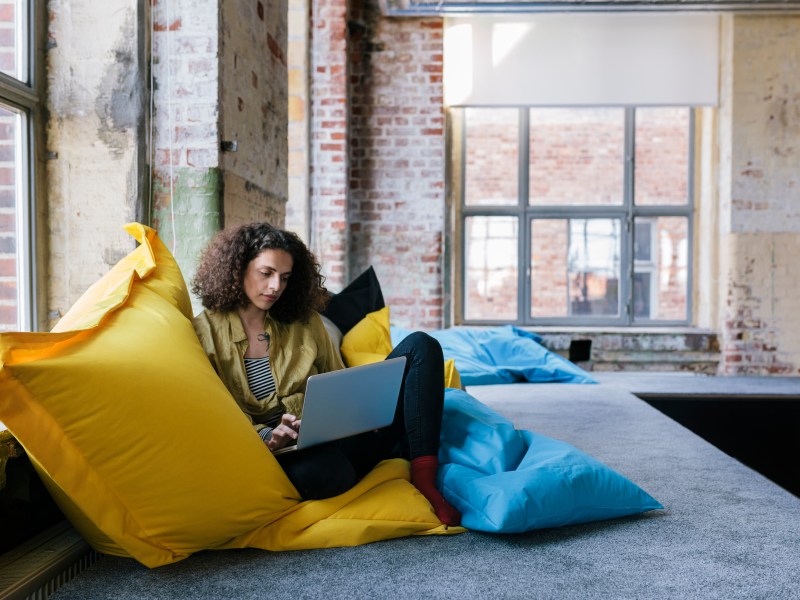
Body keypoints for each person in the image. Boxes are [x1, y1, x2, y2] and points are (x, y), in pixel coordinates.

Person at [191, 222, 461, 526]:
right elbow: (216, 415)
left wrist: (359, 414)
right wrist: (267, 435)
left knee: (421, 346)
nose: (275, 287)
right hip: (282, 453)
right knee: (322, 475)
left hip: (337, 435)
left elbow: (339, 380)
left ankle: (424, 477)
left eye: (285, 277)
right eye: (266, 273)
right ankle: (401, 443)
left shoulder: (306, 322)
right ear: (238, 269)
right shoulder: (205, 334)